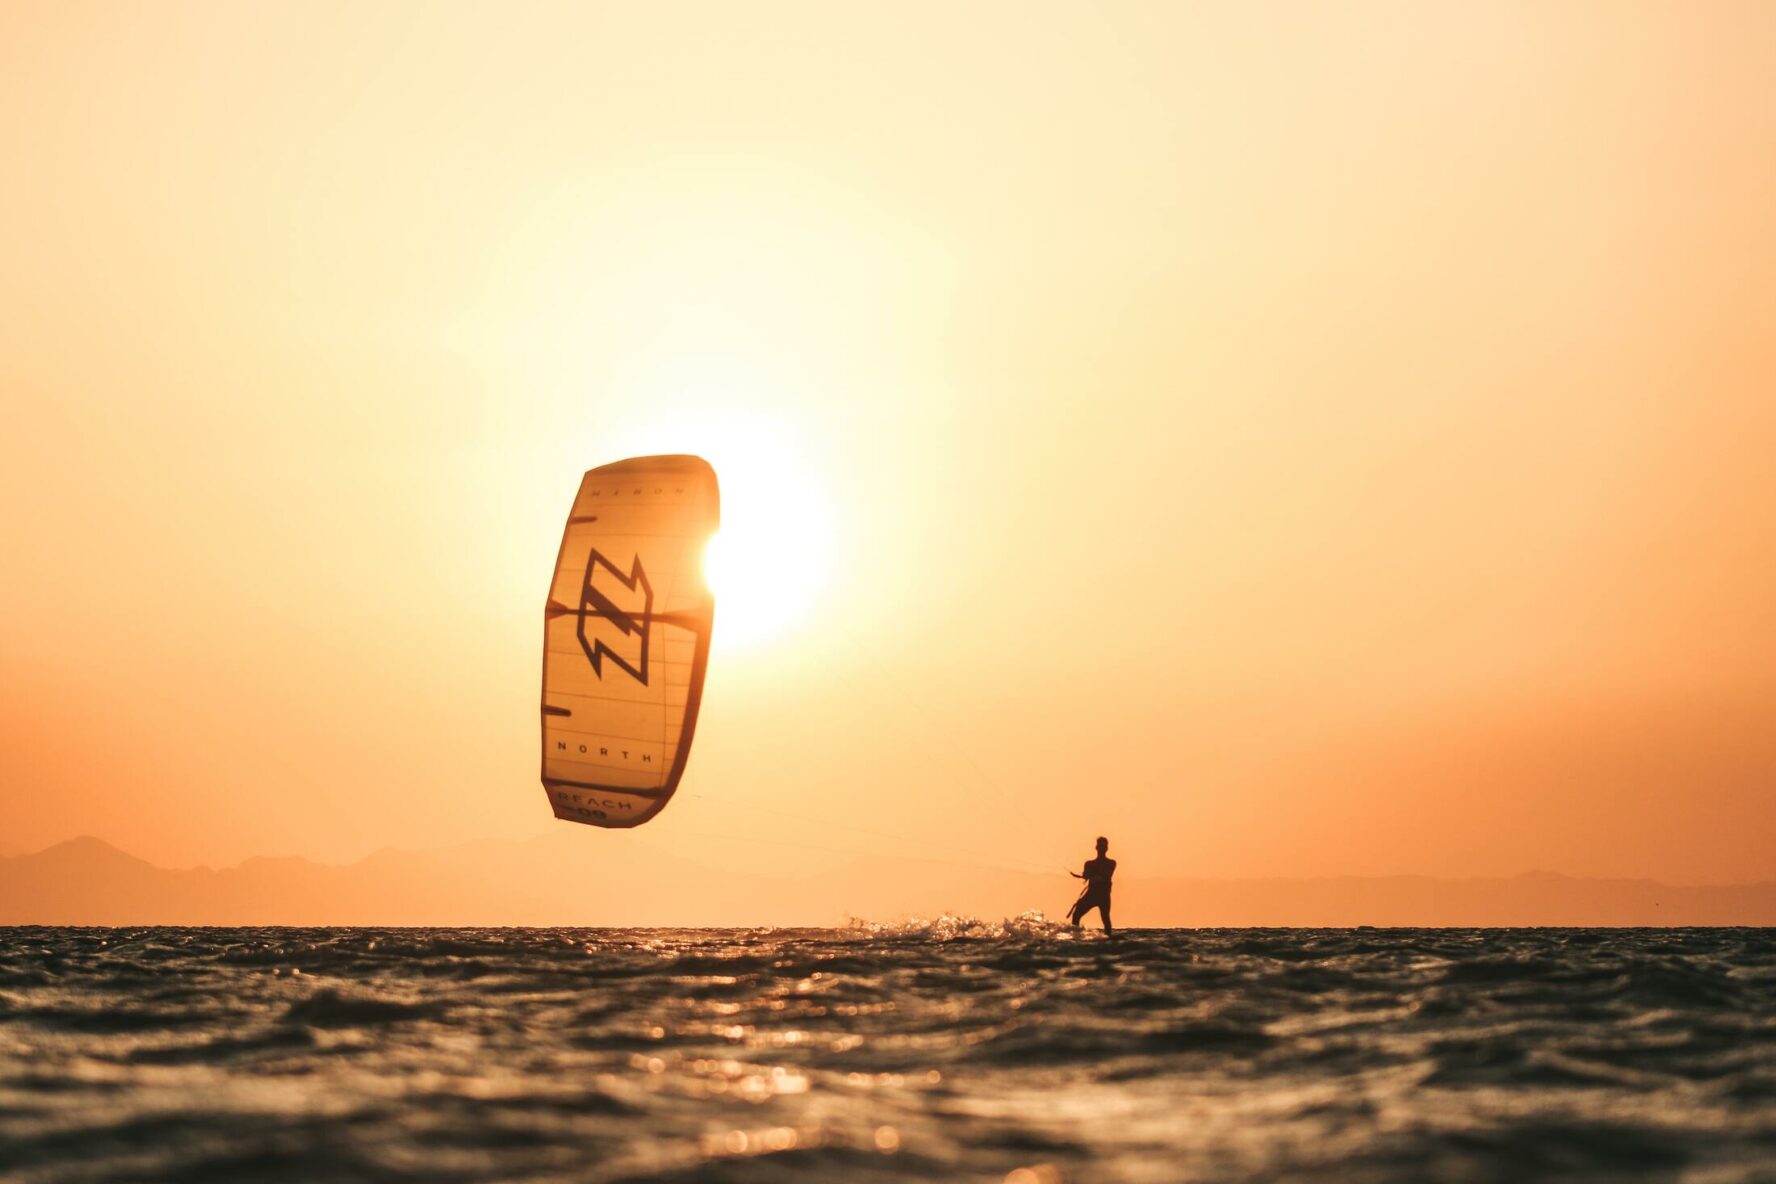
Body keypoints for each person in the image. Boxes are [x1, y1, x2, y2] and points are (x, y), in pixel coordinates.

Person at [1068, 836, 1116, 932]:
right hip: (1091, 895)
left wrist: (1091, 876)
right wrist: (1080, 875)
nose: (1102, 848)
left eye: (1104, 846)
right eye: (1100, 845)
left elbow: (1106, 876)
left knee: (1105, 918)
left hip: (1104, 896)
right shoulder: (1089, 864)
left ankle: (1109, 938)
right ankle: (1076, 937)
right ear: (1096, 847)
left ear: (1107, 848)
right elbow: (1086, 875)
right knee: (1076, 914)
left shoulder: (1111, 863)